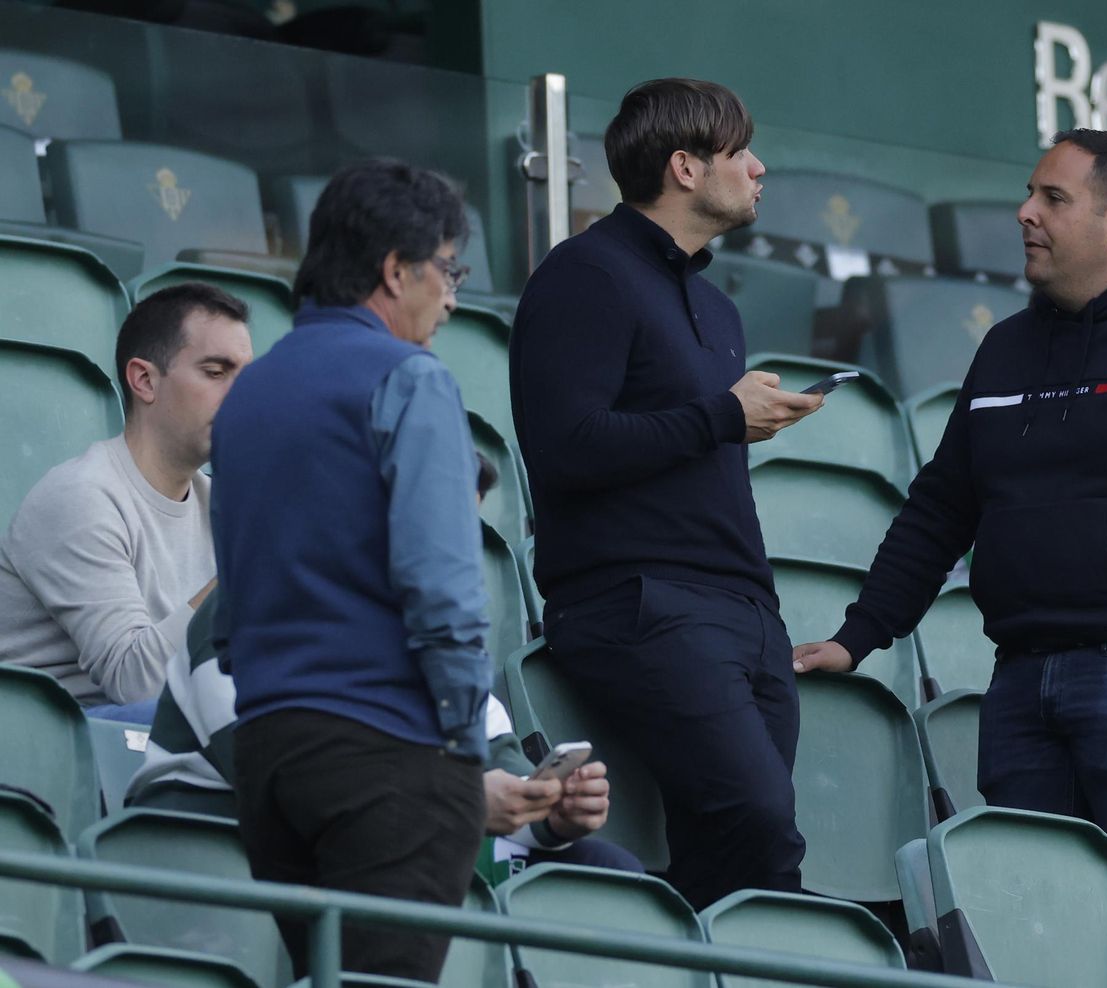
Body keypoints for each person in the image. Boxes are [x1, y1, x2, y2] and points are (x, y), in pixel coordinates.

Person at [792, 130, 1107, 855]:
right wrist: (858, 636)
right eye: (1029, 193)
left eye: (1053, 198)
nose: (1025, 212)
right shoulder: (1005, 347)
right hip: (1021, 683)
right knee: (1029, 924)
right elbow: (942, 508)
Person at [510, 78, 822, 909]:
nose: (759, 168)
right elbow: (564, 448)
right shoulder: (585, 274)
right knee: (760, 825)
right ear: (684, 167)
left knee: (746, 848)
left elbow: (688, 441)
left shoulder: (717, 308)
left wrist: (727, 420)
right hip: (641, 603)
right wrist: (721, 415)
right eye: (740, 152)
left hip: (745, 612)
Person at [209, 158, 492, 982]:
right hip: (392, 751)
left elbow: (231, 610)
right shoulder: (410, 379)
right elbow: (441, 589)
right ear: (395, 270)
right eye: (445, 270)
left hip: (271, 754)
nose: (451, 295)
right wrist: (464, 744)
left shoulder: (250, 393)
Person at [126, 455, 641, 877]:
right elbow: (286, 782)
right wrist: (457, 802)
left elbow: (496, 779)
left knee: (604, 871)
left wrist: (550, 811)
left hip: (379, 847)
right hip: (212, 852)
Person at [0, 283, 252, 722]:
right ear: (144, 380)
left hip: (156, 742)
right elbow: (136, 684)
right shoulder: (81, 497)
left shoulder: (223, 506)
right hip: (58, 749)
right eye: (215, 372)